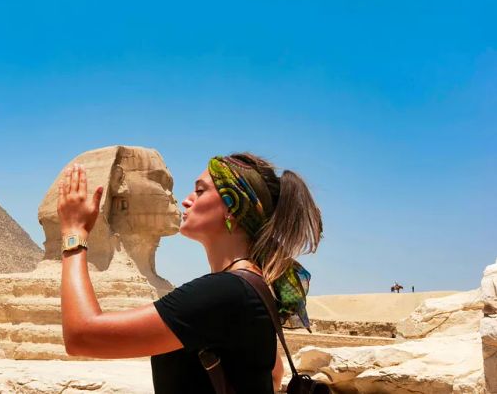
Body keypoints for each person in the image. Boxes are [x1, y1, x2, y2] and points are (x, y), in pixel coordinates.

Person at [57, 153, 323, 393]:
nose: (185, 200)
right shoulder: (254, 287)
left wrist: (73, 234)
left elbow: (81, 336)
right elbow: (273, 373)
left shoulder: (223, 293)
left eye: (200, 191)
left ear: (232, 206)